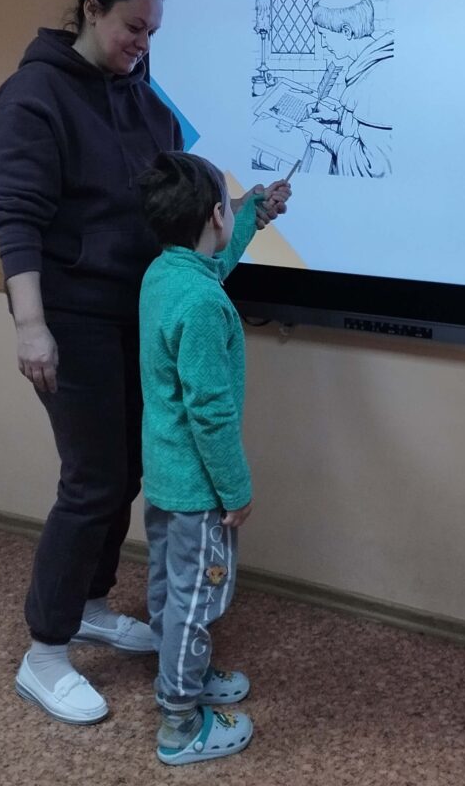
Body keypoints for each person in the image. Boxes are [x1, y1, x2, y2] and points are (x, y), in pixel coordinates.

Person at [0, 0, 285, 725]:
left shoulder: (145, 100)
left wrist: (245, 214)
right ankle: (45, 652)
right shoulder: (33, 97)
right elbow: (15, 217)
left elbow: (179, 207)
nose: (142, 44)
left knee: (127, 472)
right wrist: (30, 327)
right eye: (132, 27)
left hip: (137, 309)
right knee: (92, 480)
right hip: (68, 317)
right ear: (90, 8)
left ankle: (87, 604)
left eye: (153, 32)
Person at [137, 151, 289, 765]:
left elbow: (214, 263)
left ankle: (186, 675)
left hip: (165, 477)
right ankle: (179, 723)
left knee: (170, 587)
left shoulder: (164, 273)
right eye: (229, 204)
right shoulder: (203, 305)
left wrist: (252, 212)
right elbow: (211, 412)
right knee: (195, 601)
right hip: (200, 489)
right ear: (213, 216)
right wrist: (236, 489)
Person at [299, 0, 394, 176]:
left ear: (347, 31)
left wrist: (323, 134)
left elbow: (372, 165)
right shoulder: (369, 65)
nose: (323, 44)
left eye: (324, 35)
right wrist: (336, 116)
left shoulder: (377, 79)